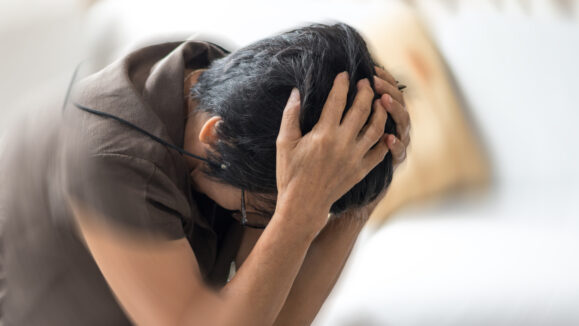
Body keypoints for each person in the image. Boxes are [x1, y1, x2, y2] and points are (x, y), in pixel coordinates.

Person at [0, 22, 410, 325]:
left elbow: (277, 317)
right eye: (264, 211)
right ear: (215, 138)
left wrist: (370, 172)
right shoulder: (114, 160)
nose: (268, 227)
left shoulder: (226, 86)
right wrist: (297, 214)